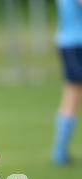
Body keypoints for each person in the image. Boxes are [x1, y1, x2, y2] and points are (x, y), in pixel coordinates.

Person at [52, 0, 82, 165]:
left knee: (71, 95)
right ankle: (60, 152)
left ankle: (60, 151)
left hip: (69, 42)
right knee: (72, 96)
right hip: (76, 43)